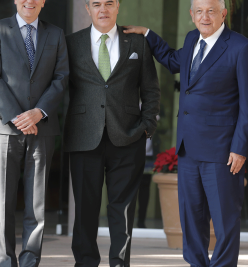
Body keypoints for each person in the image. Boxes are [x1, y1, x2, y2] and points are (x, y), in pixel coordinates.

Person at [123, 0, 248, 265]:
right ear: (191, 15)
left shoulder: (242, 48)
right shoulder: (191, 39)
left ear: (223, 13)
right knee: (191, 220)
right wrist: (148, 34)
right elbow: (173, 60)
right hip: (187, 150)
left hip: (223, 153)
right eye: (199, 11)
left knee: (225, 223)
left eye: (211, 11)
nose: (205, 16)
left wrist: (240, 147)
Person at [64, 0, 160, 266]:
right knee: (85, 210)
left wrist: (147, 126)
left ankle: (119, 263)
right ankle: (85, 262)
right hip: (84, 138)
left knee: (123, 211)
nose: (103, 9)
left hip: (129, 137)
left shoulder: (137, 43)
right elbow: (60, 86)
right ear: (87, 9)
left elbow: (151, 89)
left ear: (118, 7)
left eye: (109, 3)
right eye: (96, 4)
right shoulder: (71, 43)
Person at [0, 0, 69, 265]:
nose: (29, 1)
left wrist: (39, 112)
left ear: (43, 2)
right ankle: (6, 261)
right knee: (5, 203)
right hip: (4, 129)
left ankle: (30, 260)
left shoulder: (56, 33)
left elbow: (62, 77)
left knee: (37, 203)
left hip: (41, 128)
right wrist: (18, 117)